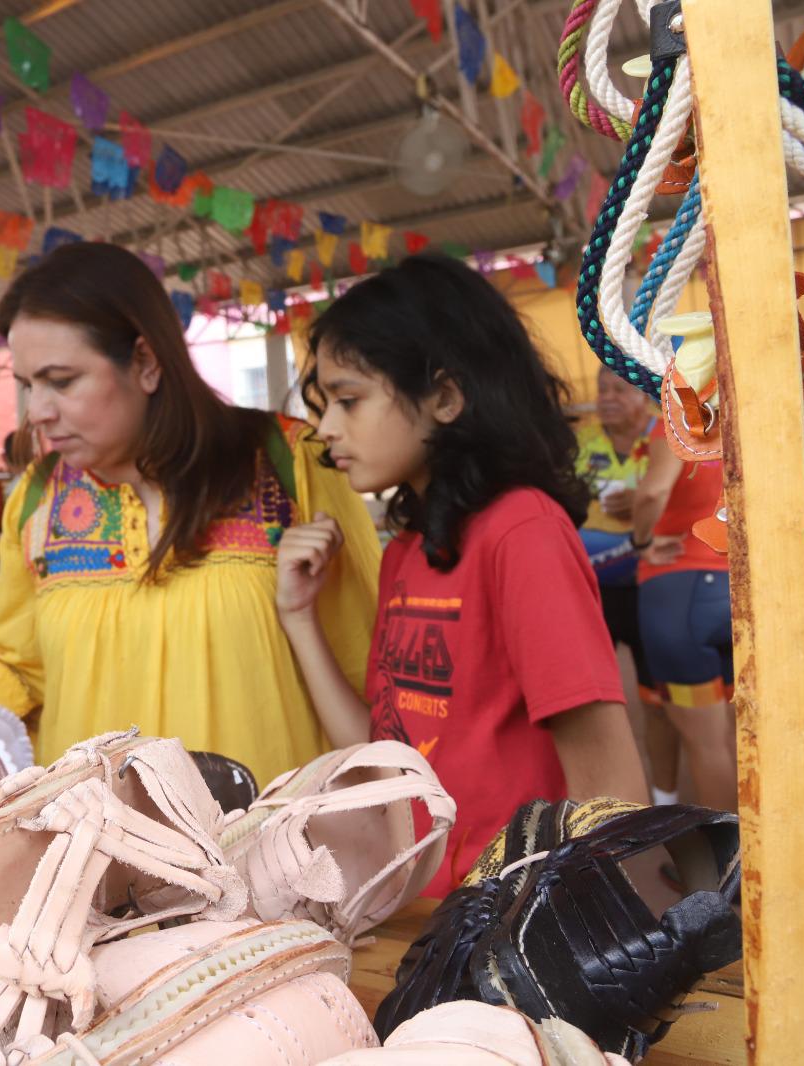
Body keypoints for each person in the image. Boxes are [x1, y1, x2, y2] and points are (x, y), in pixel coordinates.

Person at [275, 254, 647, 894]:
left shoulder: (521, 532)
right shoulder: (410, 549)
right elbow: (385, 757)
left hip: (508, 913)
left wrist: (579, 931)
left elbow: (609, 788)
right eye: (326, 403)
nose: (327, 429)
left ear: (445, 398)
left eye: (349, 400)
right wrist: (298, 616)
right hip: (423, 911)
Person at [0, 242, 382, 786]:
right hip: (93, 837)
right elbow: (22, 671)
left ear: (145, 361)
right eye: (27, 385)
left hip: (274, 835)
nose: (37, 412)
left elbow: (368, 667)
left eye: (61, 381)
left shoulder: (288, 463)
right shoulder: (38, 499)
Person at [575, 368, 678, 806]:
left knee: (657, 703)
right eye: (602, 390)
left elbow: (675, 497)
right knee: (586, 704)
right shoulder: (582, 441)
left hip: (650, 586)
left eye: (619, 389)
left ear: (644, 397)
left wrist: (638, 503)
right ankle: (596, 805)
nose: (606, 398)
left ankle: (664, 799)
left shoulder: (667, 435)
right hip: (589, 591)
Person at [630, 421, 736, 812]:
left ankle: (729, 852)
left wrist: (641, 541)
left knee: (707, 745)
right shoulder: (746, 420)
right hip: (732, 587)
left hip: (678, 593)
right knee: (734, 738)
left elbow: (652, 492)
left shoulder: (678, 421)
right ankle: (758, 843)